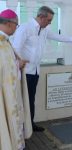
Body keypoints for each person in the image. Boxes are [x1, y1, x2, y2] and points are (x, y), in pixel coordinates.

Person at [12, 6, 72, 132]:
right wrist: (19, 63)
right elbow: (16, 48)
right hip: (24, 71)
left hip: (35, 71)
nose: (50, 23)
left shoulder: (44, 29)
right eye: (49, 20)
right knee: (22, 100)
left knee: (31, 99)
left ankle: (30, 124)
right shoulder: (25, 28)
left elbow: (58, 37)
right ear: (41, 17)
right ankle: (21, 128)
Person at [0, 9, 32, 150]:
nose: (16, 28)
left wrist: (17, 63)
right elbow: (5, 68)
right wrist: (17, 65)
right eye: (16, 25)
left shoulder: (5, 41)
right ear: (8, 23)